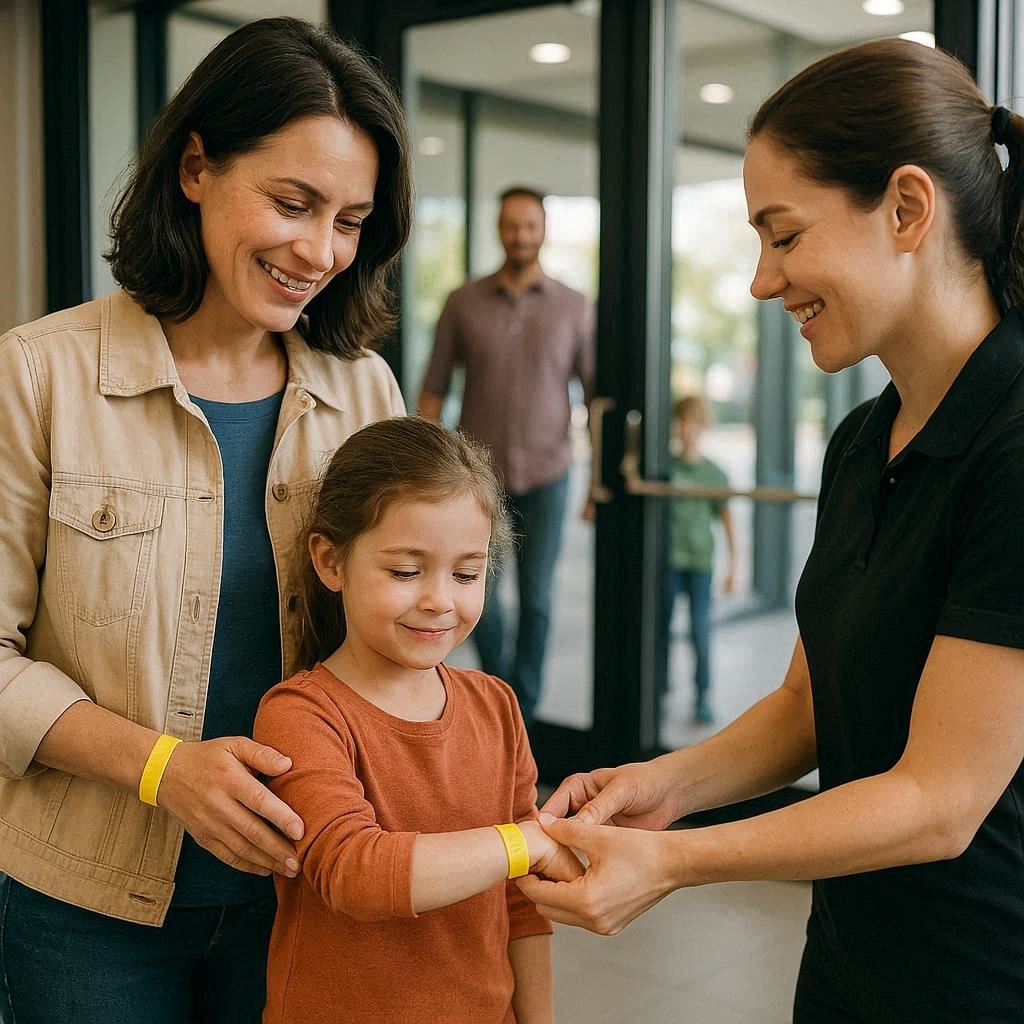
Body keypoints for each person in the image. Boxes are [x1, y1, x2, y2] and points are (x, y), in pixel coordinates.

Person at [518, 38, 1024, 1024]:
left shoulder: (1012, 442)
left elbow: (939, 799)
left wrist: (671, 861)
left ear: (908, 209)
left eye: (783, 236)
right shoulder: (861, 439)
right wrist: (660, 787)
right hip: (847, 961)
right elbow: (806, 702)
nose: (760, 280)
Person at [0, 17, 411, 1023]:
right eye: (291, 201)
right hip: (82, 906)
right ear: (195, 167)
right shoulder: (37, 374)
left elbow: (407, 636)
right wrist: (160, 767)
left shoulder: (365, 395)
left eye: (350, 220)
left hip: (307, 886)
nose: (319, 251)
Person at [252, 417, 582, 1024]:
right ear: (330, 561)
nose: (440, 600)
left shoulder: (497, 706)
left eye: (466, 574)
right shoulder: (302, 714)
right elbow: (356, 873)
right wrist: (524, 841)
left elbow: (520, 901)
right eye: (406, 572)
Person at [418, 186, 595, 727]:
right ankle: (499, 700)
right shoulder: (462, 302)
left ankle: (528, 713)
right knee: (482, 599)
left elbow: (595, 399)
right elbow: (433, 391)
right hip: (478, 483)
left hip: (549, 475)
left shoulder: (574, 307)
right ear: (499, 229)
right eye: (511, 225)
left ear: (543, 231)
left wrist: (595, 487)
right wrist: (424, 476)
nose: (520, 235)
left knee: (538, 599)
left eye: (530, 225)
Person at [665, 394, 737, 724]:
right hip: (669, 564)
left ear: (702, 426)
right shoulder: (665, 469)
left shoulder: (713, 474)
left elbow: (727, 523)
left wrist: (734, 567)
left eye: (692, 422)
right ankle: (659, 688)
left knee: (700, 631)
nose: (685, 429)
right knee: (659, 628)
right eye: (680, 421)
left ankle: (702, 696)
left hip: (699, 565)